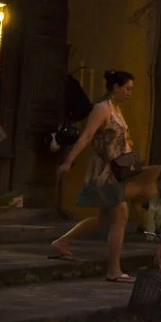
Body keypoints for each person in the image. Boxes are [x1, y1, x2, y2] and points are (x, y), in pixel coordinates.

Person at [51, 70, 139, 282]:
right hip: (106, 170)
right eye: (126, 88)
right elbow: (87, 136)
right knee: (121, 215)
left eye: (131, 90)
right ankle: (114, 270)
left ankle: (63, 242)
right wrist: (69, 161)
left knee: (104, 219)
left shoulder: (116, 109)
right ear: (115, 87)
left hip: (119, 168)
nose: (129, 93)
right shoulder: (102, 109)